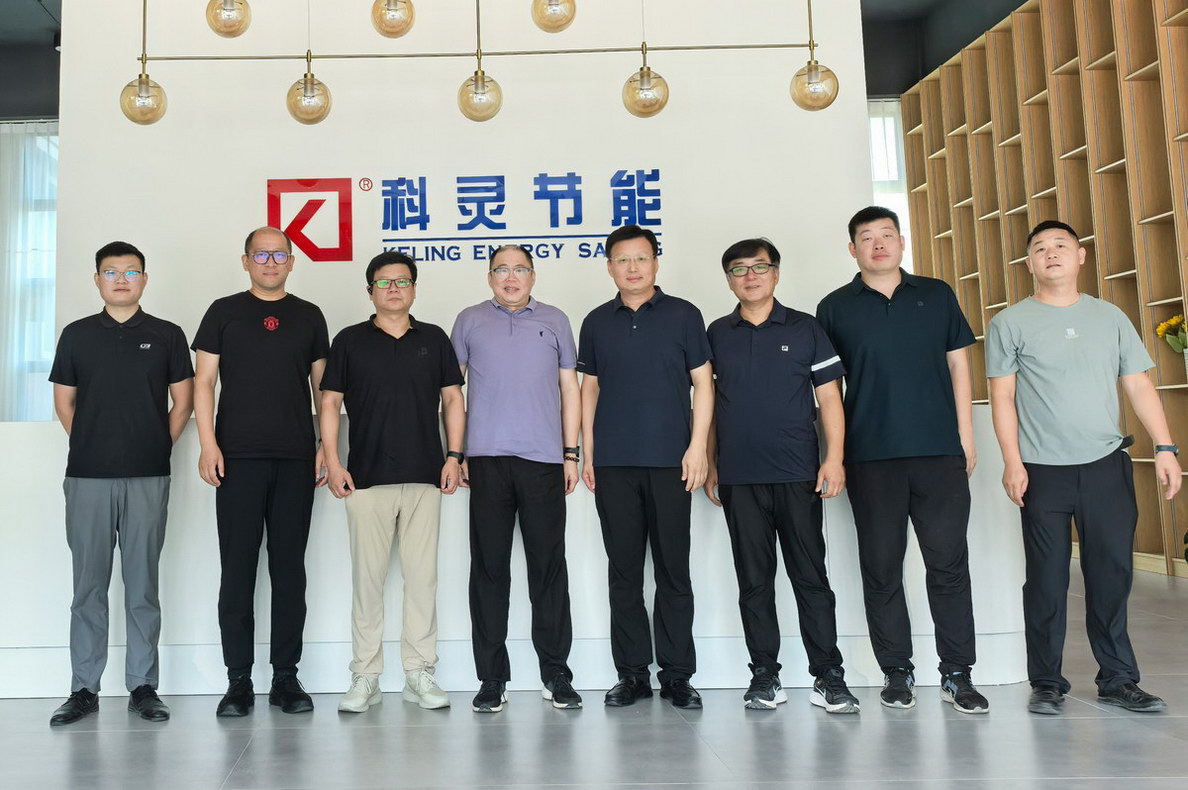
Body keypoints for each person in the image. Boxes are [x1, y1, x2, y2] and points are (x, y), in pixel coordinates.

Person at [986, 220, 1180, 715]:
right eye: (1040, 248)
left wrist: (1165, 447)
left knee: (1111, 574)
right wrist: (1012, 461)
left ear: (1080, 256)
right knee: (1047, 581)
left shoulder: (1110, 316)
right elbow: (1002, 396)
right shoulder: (1010, 322)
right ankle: (1047, 682)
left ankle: (1118, 679)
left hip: (1105, 466)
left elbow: (1138, 384)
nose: (1050, 253)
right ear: (1028, 263)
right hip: (1041, 471)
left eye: (1060, 245)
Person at [816, 206, 989, 714]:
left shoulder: (936, 295)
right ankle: (897, 671)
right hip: (871, 457)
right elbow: (828, 390)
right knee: (881, 568)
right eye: (867, 238)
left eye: (887, 235)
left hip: (939, 452)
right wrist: (835, 455)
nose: (878, 244)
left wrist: (965, 435)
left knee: (948, 565)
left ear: (901, 242)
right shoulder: (835, 307)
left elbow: (959, 364)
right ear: (852, 249)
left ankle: (958, 673)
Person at [704, 238, 859, 713]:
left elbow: (829, 398)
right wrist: (710, 462)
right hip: (739, 477)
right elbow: (707, 403)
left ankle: (828, 676)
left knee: (811, 578)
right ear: (729, 279)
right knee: (754, 582)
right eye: (739, 269)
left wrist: (834, 459)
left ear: (776, 273)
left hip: (798, 474)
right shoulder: (717, 333)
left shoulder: (806, 328)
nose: (750, 276)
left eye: (760, 267)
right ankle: (765, 676)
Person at [47, 241, 194, 726]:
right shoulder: (76, 335)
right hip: (87, 477)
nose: (121, 279)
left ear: (144, 279)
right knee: (87, 587)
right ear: (97, 280)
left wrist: (154, 445)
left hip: (148, 475)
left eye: (131, 272)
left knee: (142, 584)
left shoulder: (167, 335)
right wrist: (96, 444)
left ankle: (143, 686)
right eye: (111, 272)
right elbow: (64, 404)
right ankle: (83, 689)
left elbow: (183, 403)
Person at [192, 226, 329, 717]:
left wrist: (325, 447)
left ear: (292, 261)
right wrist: (208, 444)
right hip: (237, 458)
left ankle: (286, 677)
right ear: (245, 261)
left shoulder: (309, 315)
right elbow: (204, 383)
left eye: (279, 255)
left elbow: (323, 391)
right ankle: (239, 680)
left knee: (289, 570)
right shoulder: (223, 312)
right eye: (261, 254)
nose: (270, 262)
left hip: (295, 458)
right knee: (238, 570)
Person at [321, 251, 465, 713]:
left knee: (423, 581)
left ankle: (419, 672)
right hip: (365, 479)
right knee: (368, 583)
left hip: (425, 477)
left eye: (403, 281)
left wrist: (454, 456)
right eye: (384, 282)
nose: (394, 289)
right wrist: (333, 461)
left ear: (414, 289)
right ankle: (365, 675)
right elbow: (329, 403)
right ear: (370, 292)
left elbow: (452, 399)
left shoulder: (434, 338)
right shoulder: (349, 341)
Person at [578, 225, 714, 709]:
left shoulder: (684, 315)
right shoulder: (596, 321)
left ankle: (677, 675)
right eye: (622, 259)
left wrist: (698, 448)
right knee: (625, 573)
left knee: (674, 571)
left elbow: (704, 384)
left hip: (672, 462)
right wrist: (589, 451)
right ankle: (632, 674)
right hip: (614, 464)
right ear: (609, 267)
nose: (632, 267)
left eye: (641, 258)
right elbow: (589, 390)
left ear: (656, 262)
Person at [450, 245, 583, 713]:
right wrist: (456, 453)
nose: (511, 277)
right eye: (501, 270)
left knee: (548, 568)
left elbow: (570, 388)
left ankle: (556, 673)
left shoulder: (556, 320)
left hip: (544, 461)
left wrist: (571, 453)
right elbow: (452, 392)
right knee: (489, 571)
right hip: (485, 462)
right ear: (489, 277)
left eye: (520, 269)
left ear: (533, 275)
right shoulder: (469, 321)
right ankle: (492, 678)